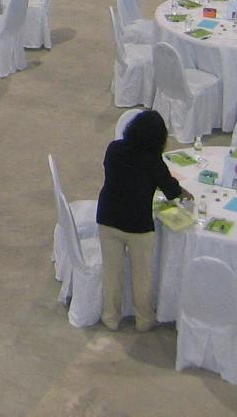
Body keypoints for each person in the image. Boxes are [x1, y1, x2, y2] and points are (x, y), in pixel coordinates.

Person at [95, 108, 192, 331]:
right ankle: (144, 320)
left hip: (107, 218)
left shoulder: (114, 149)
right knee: (142, 277)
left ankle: (110, 317)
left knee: (112, 273)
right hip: (138, 226)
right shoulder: (154, 162)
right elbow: (170, 190)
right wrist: (184, 192)